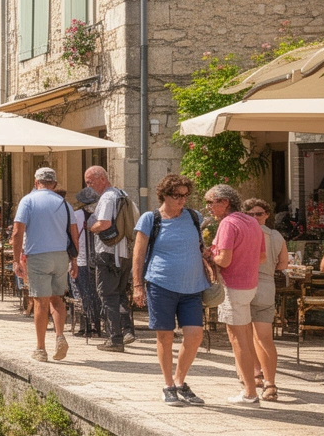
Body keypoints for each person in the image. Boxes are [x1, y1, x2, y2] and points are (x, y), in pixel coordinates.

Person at [132, 174, 208, 406]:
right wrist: (137, 285)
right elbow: (138, 253)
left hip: (193, 286)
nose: (182, 200)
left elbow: (202, 247)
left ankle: (179, 381)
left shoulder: (195, 217)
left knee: (195, 335)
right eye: (177, 196)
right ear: (164, 195)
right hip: (161, 284)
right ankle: (167, 385)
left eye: (185, 195)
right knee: (165, 336)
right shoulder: (151, 219)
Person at [206, 183, 266, 405]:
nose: (208, 207)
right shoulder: (252, 221)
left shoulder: (228, 224)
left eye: (211, 202)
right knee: (245, 337)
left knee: (238, 340)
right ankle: (249, 385)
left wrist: (210, 256)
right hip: (250, 285)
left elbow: (224, 260)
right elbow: (261, 258)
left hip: (233, 286)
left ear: (225, 202)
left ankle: (250, 392)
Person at [11, 168, 76, 360]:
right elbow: (74, 234)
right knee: (57, 299)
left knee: (40, 301)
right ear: (54, 184)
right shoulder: (64, 204)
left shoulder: (28, 200)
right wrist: (74, 260)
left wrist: (16, 260)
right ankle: (60, 336)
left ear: (35, 182)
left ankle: (40, 348)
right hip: (61, 256)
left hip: (39, 255)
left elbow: (17, 232)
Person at [84, 166, 137, 351]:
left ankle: (115, 339)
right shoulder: (123, 194)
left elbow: (104, 223)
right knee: (120, 294)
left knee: (107, 295)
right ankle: (127, 331)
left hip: (108, 253)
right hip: (124, 254)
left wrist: (91, 227)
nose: (89, 186)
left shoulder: (107, 197)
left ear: (102, 179)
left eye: (90, 182)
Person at [243, 198, 288, 401]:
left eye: (258, 214)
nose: (254, 218)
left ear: (266, 214)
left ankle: (255, 377)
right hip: (266, 286)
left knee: (244, 335)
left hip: (243, 284)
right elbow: (283, 264)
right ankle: (269, 383)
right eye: (251, 214)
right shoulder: (277, 236)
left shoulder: (242, 232)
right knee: (264, 338)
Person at [71, 188, 102, 338]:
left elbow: (72, 237)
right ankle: (97, 325)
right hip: (98, 260)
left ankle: (86, 326)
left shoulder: (76, 215)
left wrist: (72, 260)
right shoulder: (100, 215)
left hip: (81, 259)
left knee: (83, 293)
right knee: (96, 293)